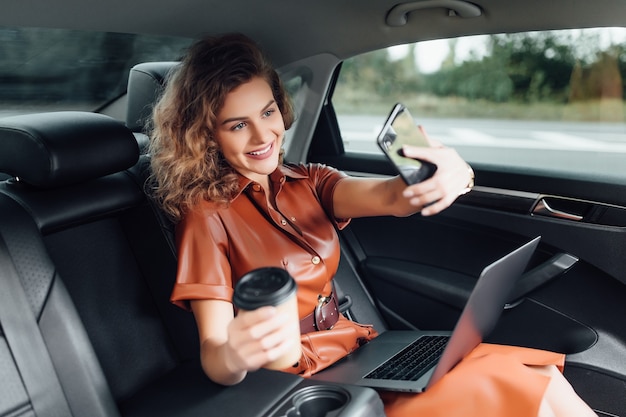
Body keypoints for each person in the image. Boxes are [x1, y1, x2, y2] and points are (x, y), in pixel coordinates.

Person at [148, 33, 597, 417]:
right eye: (237, 125)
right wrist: (237, 352)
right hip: (303, 384)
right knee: (516, 389)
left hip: (359, 351)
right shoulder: (205, 215)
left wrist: (437, 177)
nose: (264, 136)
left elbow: (387, 196)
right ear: (206, 135)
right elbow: (215, 355)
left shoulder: (308, 180)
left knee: (533, 371)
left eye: (267, 113)